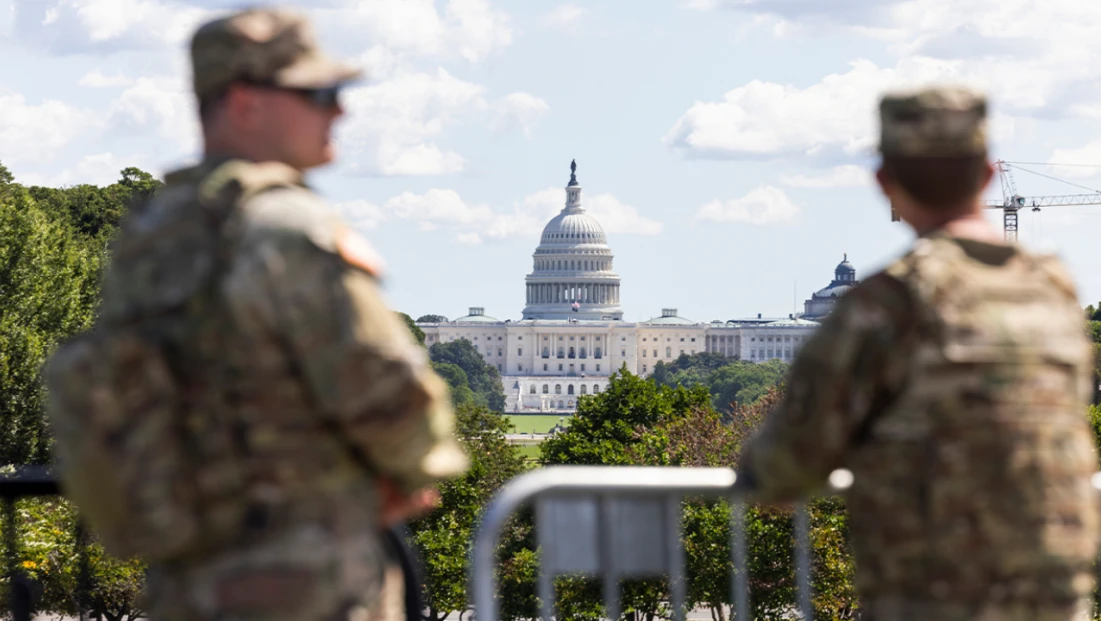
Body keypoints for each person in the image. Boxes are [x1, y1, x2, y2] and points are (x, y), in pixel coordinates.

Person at [54, 7, 468, 621]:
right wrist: (411, 471)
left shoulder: (154, 233)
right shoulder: (285, 228)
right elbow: (394, 395)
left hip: (186, 577)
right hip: (305, 577)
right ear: (246, 102)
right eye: (318, 92)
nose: (339, 111)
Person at [735, 86, 1101, 621]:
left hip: (934, 584)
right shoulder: (1054, 290)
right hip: (1055, 583)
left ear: (885, 182)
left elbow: (790, 460)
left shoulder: (893, 300)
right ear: (987, 176)